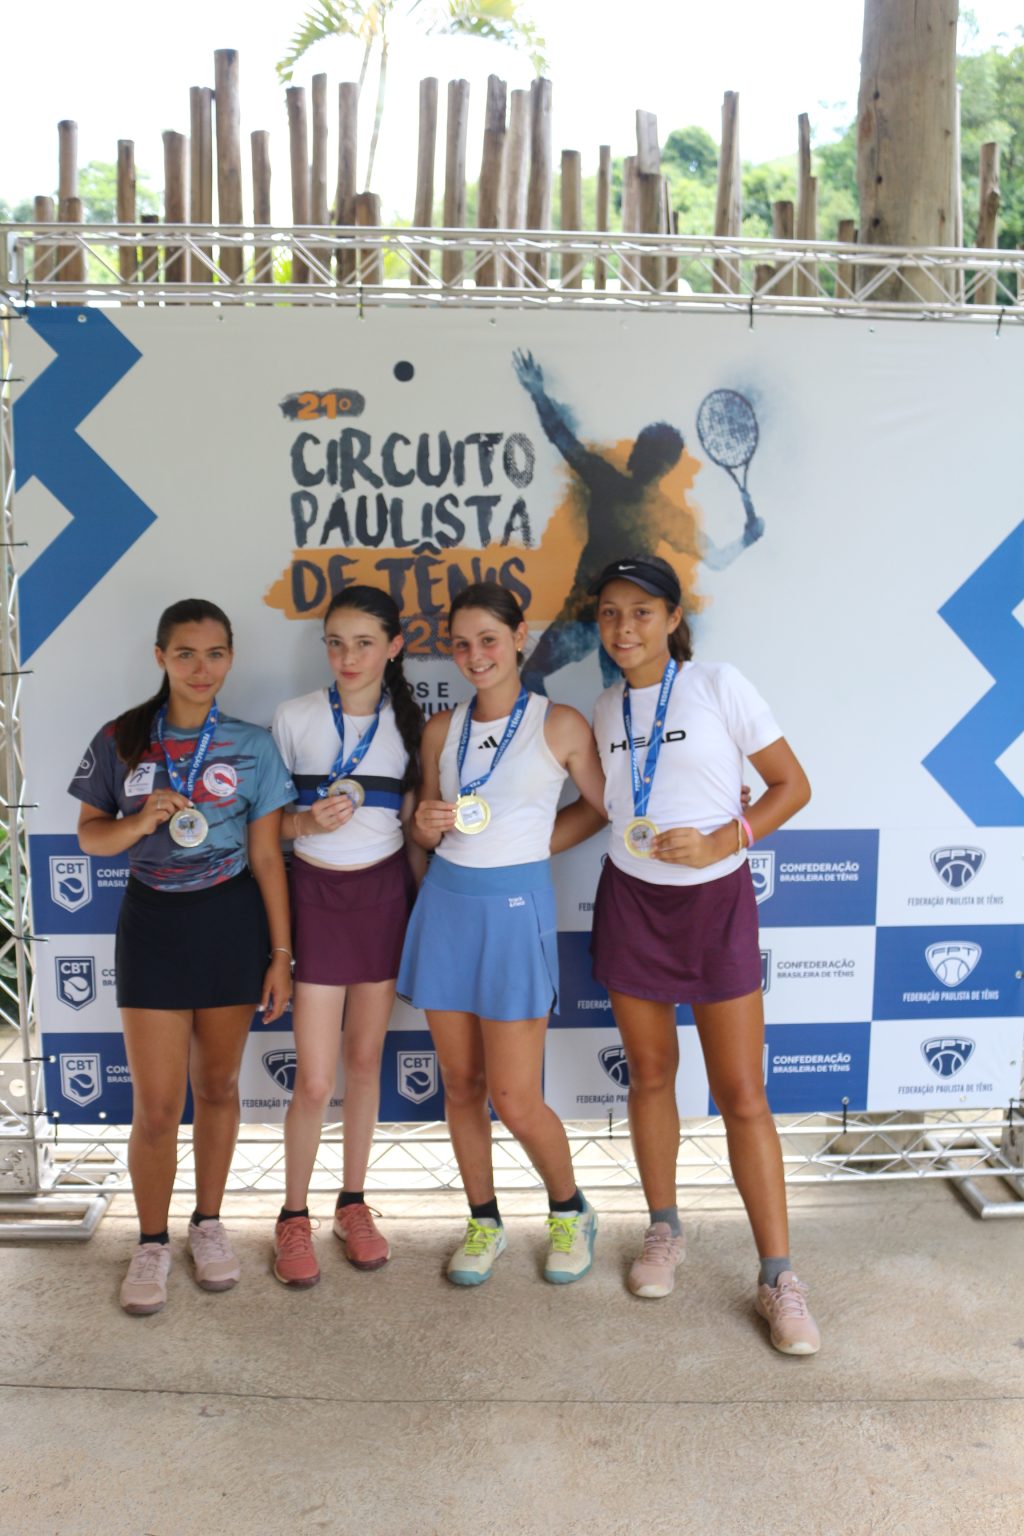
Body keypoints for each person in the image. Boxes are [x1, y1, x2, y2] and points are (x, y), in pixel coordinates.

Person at [584, 554, 820, 1354]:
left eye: (641, 612)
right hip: (631, 901)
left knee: (741, 1093)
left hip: (715, 904)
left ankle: (779, 1277)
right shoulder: (604, 708)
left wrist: (723, 838)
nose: (624, 628)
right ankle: (664, 1230)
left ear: (674, 618)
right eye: (610, 613)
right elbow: (605, 809)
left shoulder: (719, 684)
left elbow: (792, 786)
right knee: (651, 1074)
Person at [70, 599, 295, 1316]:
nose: (202, 668)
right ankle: (150, 1242)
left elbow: (267, 856)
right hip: (153, 925)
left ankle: (208, 1224)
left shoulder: (252, 745)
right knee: (159, 1104)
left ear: (231, 658)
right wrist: (139, 822)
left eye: (215, 653)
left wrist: (281, 953)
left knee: (219, 1086)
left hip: (230, 921)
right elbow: (90, 837)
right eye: (186, 654)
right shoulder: (123, 738)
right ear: (160, 657)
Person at [399, 582, 607, 1286]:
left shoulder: (561, 724)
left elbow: (606, 808)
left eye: (489, 639)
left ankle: (570, 1210)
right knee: (461, 1085)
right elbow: (426, 826)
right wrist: (423, 824)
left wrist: (534, 846)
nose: (475, 655)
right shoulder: (441, 729)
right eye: (461, 644)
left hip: (516, 913)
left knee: (514, 1097)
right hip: (446, 908)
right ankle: (483, 1221)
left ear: (519, 637)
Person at [269, 586, 423, 1287]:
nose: (348, 657)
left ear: (394, 647)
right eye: (335, 643)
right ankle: (292, 1215)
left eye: (364, 643)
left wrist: (423, 911)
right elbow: (262, 825)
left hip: (383, 899)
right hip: (315, 900)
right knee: (315, 1078)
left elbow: (415, 831)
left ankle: (352, 1203)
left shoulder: (411, 726)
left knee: (364, 1062)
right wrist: (304, 823)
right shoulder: (295, 717)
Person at [512, 349, 762, 694]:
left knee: (555, 680)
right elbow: (717, 559)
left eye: (644, 451)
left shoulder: (612, 483)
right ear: (666, 468)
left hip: (594, 616)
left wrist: (537, 392)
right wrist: (748, 538)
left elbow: (562, 438)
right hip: (596, 616)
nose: (638, 455)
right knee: (612, 696)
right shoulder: (658, 510)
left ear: (644, 457)